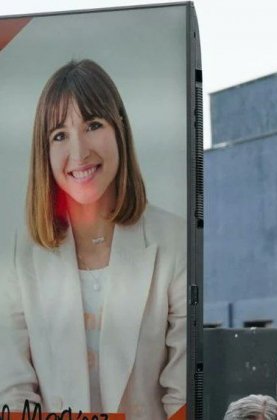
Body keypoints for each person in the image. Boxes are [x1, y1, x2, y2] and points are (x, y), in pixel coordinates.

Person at [0, 59, 186, 419]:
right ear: (45, 153)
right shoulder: (18, 253)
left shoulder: (174, 240)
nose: (79, 152)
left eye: (93, 125)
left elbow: (181, 394)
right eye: (59, 135)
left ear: (119, 129)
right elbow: (12, 390)